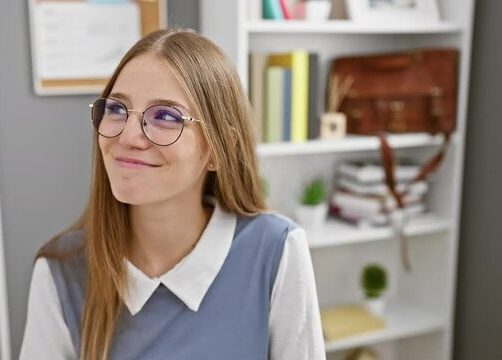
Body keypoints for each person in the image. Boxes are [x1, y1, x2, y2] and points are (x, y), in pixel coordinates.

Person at [19, 28, 325, 360]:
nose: (129, 136)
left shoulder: (277, 252)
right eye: (118, 109)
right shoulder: (61, 271)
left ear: (218, 150)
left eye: (166, 116)